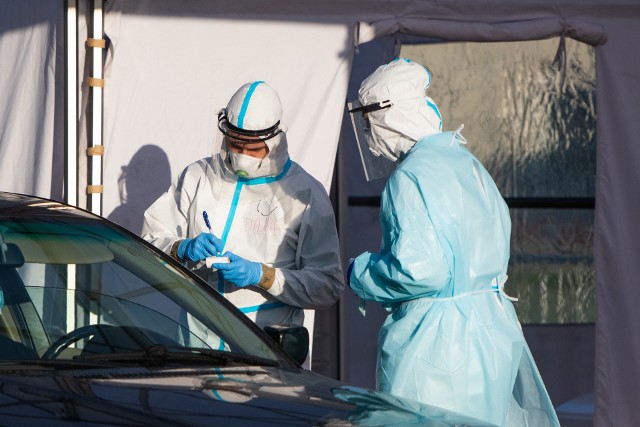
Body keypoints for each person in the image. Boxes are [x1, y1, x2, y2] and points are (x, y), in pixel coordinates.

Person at [346, 58, 560, 426]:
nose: (369, 133)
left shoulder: (410, 177)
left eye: (369, 122)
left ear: (390, 116)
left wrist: (362, 273)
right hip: (492, 332)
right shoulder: (468, 164)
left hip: (437, 345)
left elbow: (419, 271)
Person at [142, 81, 345, 360]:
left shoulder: (303, 193)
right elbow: (145, 245)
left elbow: (326, 286)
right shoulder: (197, 178)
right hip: (197, 343)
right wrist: (180, 248)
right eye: (235, 145)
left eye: (252, 148)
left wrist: (264, 276)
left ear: (273, 142)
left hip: (268, 347)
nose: (241, 157)